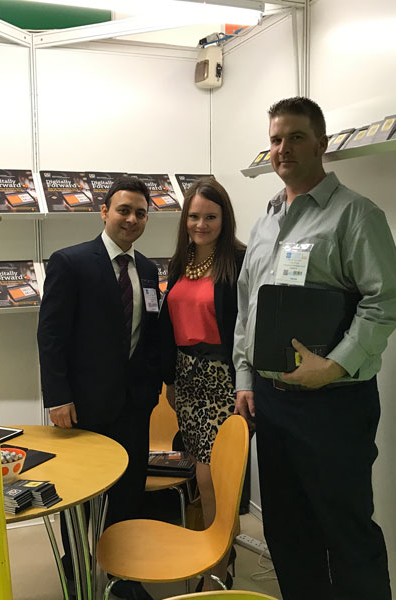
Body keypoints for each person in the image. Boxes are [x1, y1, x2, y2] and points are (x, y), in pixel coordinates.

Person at [233, 97, 396, 599]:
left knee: (346, 532)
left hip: (334, 403)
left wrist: (333, 366)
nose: (283, 149)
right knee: (287, 530)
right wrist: (245, 378)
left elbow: (387, 304)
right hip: (272, 402)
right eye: (275, 139)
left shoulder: (355, 215)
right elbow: (248, 306)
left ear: (321, 144)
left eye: (296, 137)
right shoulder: (266, 219)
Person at [37, 175, 161, 600]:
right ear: (104, 211)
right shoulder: (70, 262)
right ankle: (78, 575)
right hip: (82, 408)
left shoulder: (148, 270)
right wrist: (58, 397)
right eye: (123, 210)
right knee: (80, 498)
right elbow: (50, 335)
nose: (131, 219)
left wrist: (152, 388)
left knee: (128, 494)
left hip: (133, 406)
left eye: (140, 213)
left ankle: (124, 577)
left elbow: (150, 333)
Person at [159, 177, 246, 590]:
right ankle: (215, 555)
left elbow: (246, 328)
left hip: (223, 380)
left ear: (224, 219)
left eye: (210, 216)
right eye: (194, 216)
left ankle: (217, 570)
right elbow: (170, 325)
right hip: (187, 379)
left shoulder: (238, 261)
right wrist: (171, 381)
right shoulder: (181, 263)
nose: (201, 224)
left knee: (216, 480)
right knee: (201, 473)